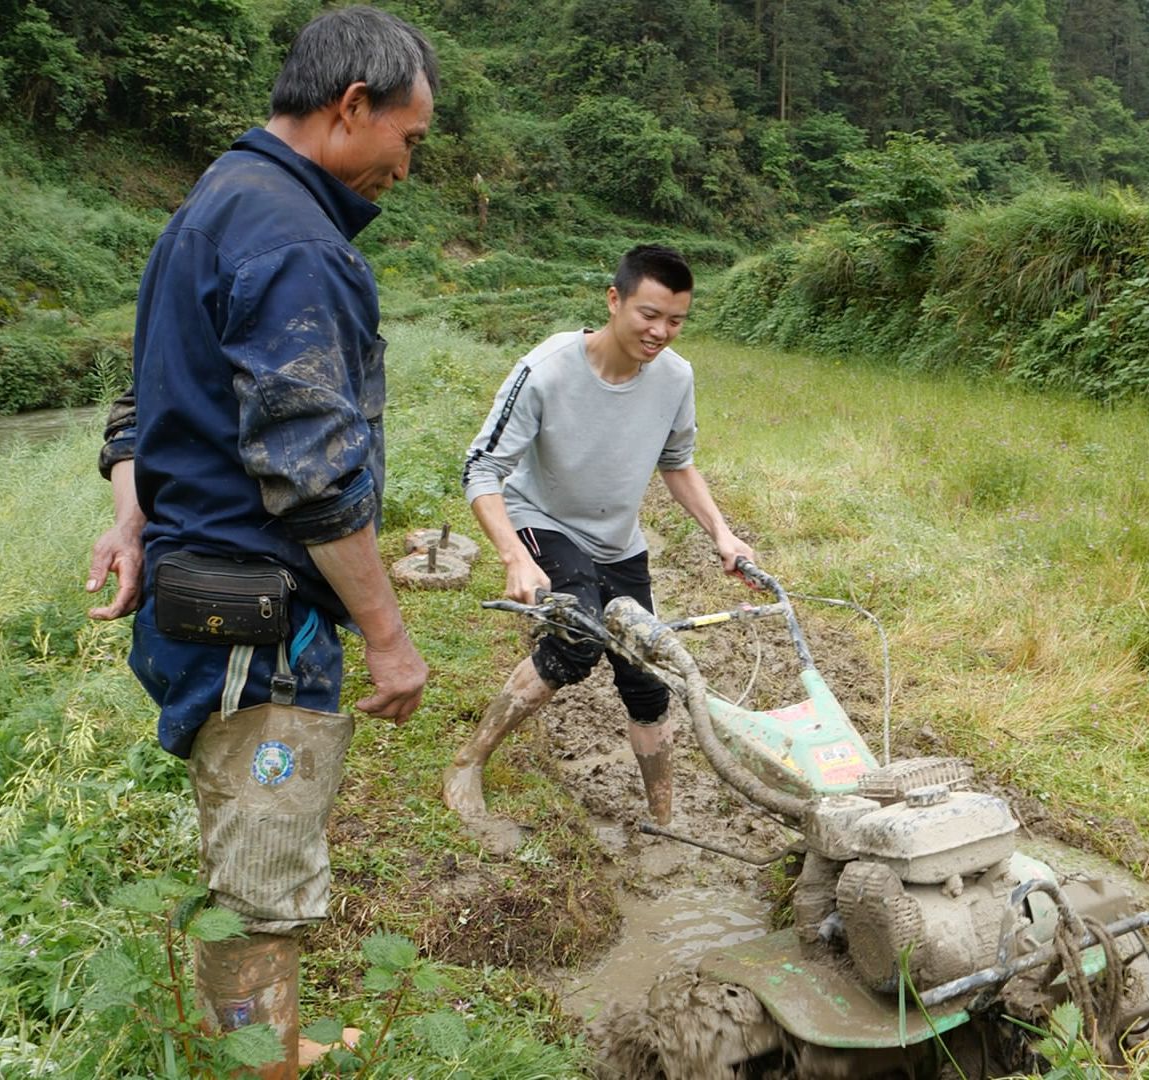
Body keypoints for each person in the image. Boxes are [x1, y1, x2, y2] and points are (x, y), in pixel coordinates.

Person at [83, 7, 434, 1076]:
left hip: (205, 587)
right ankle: (260, 1063)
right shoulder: (293, 242)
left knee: (249, 830)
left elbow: (144, 404)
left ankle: (268, 1037)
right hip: (255, 616)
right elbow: (315, 476)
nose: (407, 168)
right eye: (409, 141)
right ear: (352, 106)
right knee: (264, 860)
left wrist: (130, 513)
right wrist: (387, 631)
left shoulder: (216, 202)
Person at [446, 244, 754, 845]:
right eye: (649, 314)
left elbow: (678, 464)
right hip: (541, 518)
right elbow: (481, 468)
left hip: (620, 539)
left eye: (676, 320)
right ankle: (469, 761)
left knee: (647, 675)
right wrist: (515, 555)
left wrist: (722, 531)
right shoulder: (548, 369)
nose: (661, 332)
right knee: (580, 638)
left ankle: (662, 822)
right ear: (614, 301)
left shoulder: (675, 377)